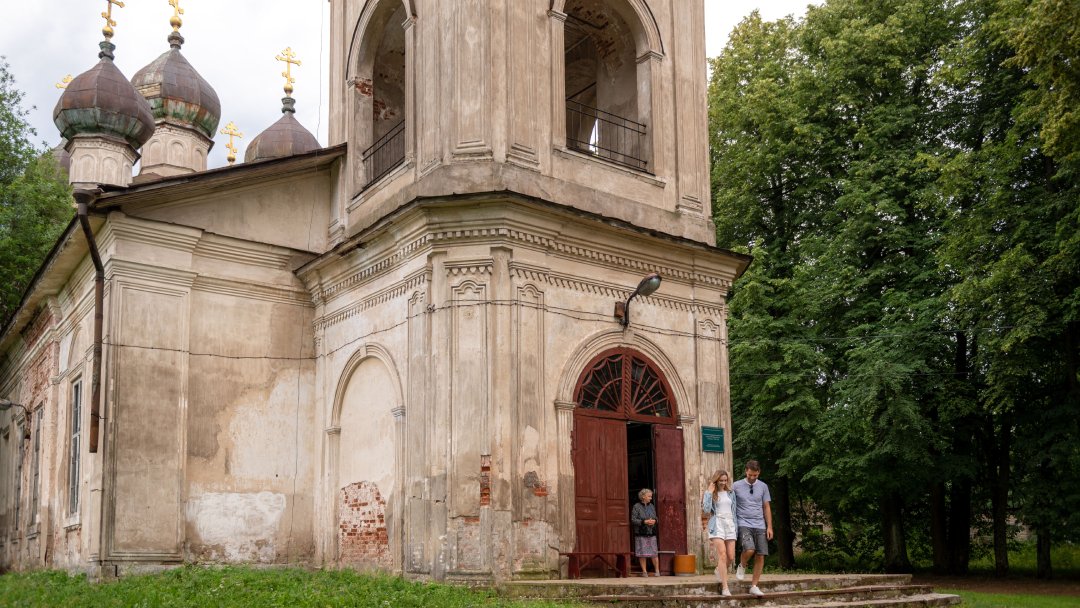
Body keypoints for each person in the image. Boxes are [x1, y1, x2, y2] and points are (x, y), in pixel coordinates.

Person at [733, 460, 771, 597]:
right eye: (750, 475)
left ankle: (754, 586)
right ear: (746, 471)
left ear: (759, 472)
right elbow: (729, 502)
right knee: (749, 549)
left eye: (755, 475)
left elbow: (766, 507)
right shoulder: (736, 486)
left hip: (760, 524)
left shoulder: (763, 486)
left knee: (760, 555)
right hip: (743, 522)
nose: (752, 477)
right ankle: (742, 565)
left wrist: (769, 526)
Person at [702, 470, 737, 596]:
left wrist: (736, 527)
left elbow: (734, 511)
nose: (723, 482)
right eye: (721, 480)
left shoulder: (731, 493)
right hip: (717, 524)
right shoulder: (711, 493)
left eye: (725, 480)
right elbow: (706, 510)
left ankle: (718, 569)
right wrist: (708, 492)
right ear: (716, 480)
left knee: (731, 557)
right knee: (722, 555)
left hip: (730, 524)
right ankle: (725, 587)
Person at [631, 488, 660, 576]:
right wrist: (644, 522)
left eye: (651, 496)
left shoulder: (652, 506)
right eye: (649, 496)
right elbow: (633, 520)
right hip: (641, 533)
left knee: (654, 553)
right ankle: (644, 572)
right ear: (643, 496)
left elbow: (656, 518)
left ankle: (657, 571)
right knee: (642, 553)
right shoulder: (636, 506)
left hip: (651, 532)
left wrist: (655, 521)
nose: (651, 498)